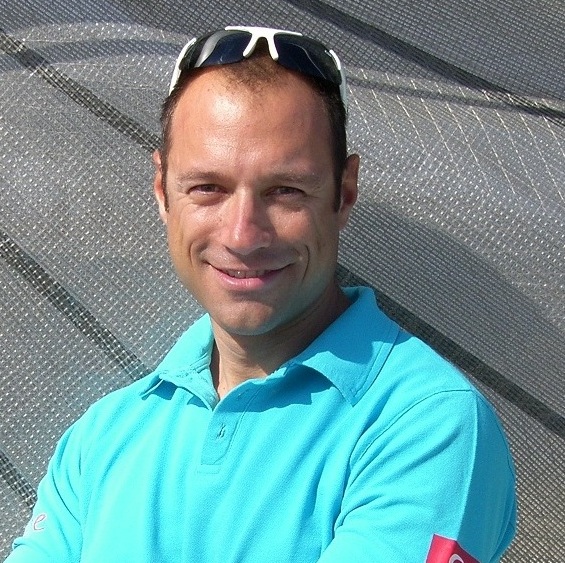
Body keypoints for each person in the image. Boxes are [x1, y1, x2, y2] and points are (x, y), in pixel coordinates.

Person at [6, 26, 516, 562]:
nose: (242, 235)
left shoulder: (426, 425)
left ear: (344, 193)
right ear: (162, 190)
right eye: (208, 188)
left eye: (285, 191)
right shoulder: (102, 436)